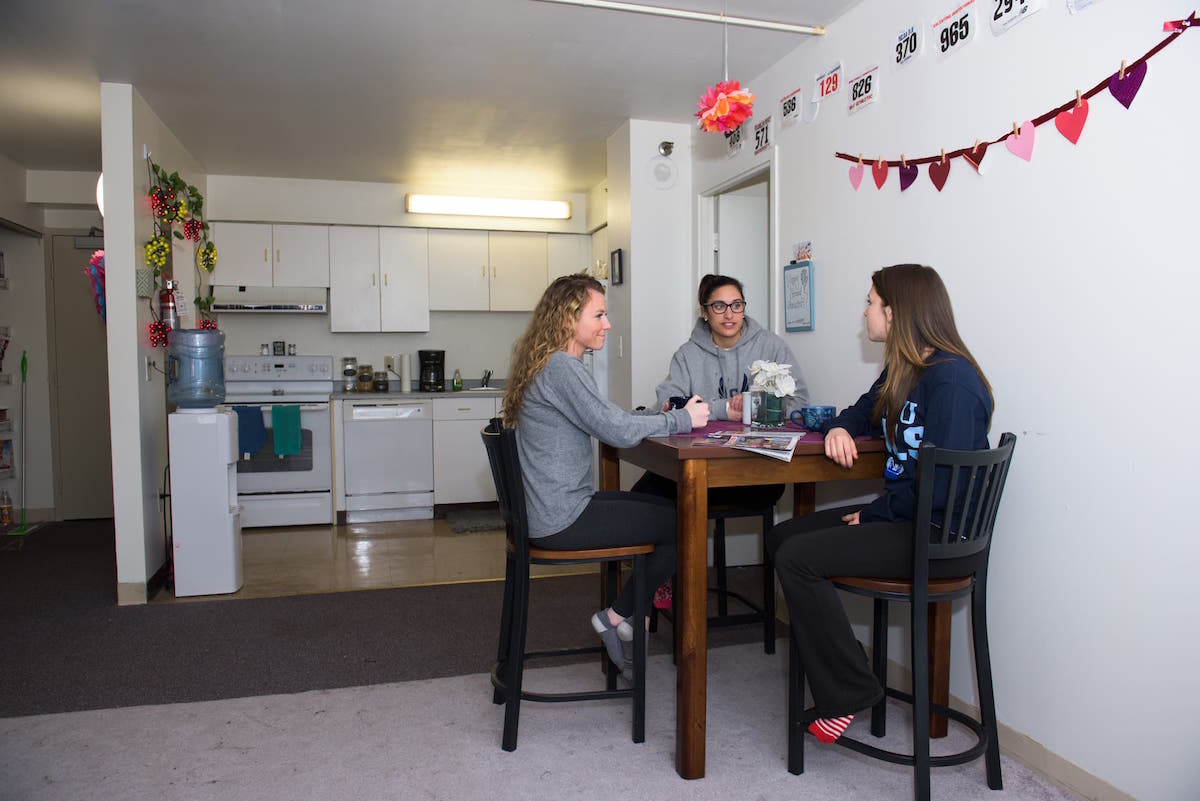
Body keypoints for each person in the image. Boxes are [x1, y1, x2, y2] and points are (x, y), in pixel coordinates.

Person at [764, 264, 993, 745]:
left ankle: (848, 691)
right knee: (785, 535)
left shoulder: (952, 382)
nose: (865, 311)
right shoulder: (904, 370)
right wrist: (841, 427)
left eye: (870, 301)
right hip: (905, 518)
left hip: (934, 534)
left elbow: (943, 487)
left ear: (894, 311)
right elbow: (857, 412)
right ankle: (848, 677)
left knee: (798, 557)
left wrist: (872, 514)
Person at [501, 273, 710, 674]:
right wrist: (681, 419)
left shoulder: (551, 363)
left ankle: (628, 617)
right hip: (562, 518)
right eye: (599, 315)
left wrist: (658, 417)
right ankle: (617, 617)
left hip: (550, 511)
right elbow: (615, 430)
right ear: (568, 319)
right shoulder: (562, 367)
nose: (607, 324)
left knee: (661, 503)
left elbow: (610, 419)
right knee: (686, 520)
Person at [633, 273, 809, 508]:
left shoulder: (771, 345)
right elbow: (668, 403)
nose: (729, 314)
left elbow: (801, 403)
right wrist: (724, 409)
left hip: (759, 470)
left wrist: (751, 407)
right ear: (704, 312)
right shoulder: (687, 355)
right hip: (699, 466)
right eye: (719, 306)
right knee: (644, 497)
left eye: (736, 305)